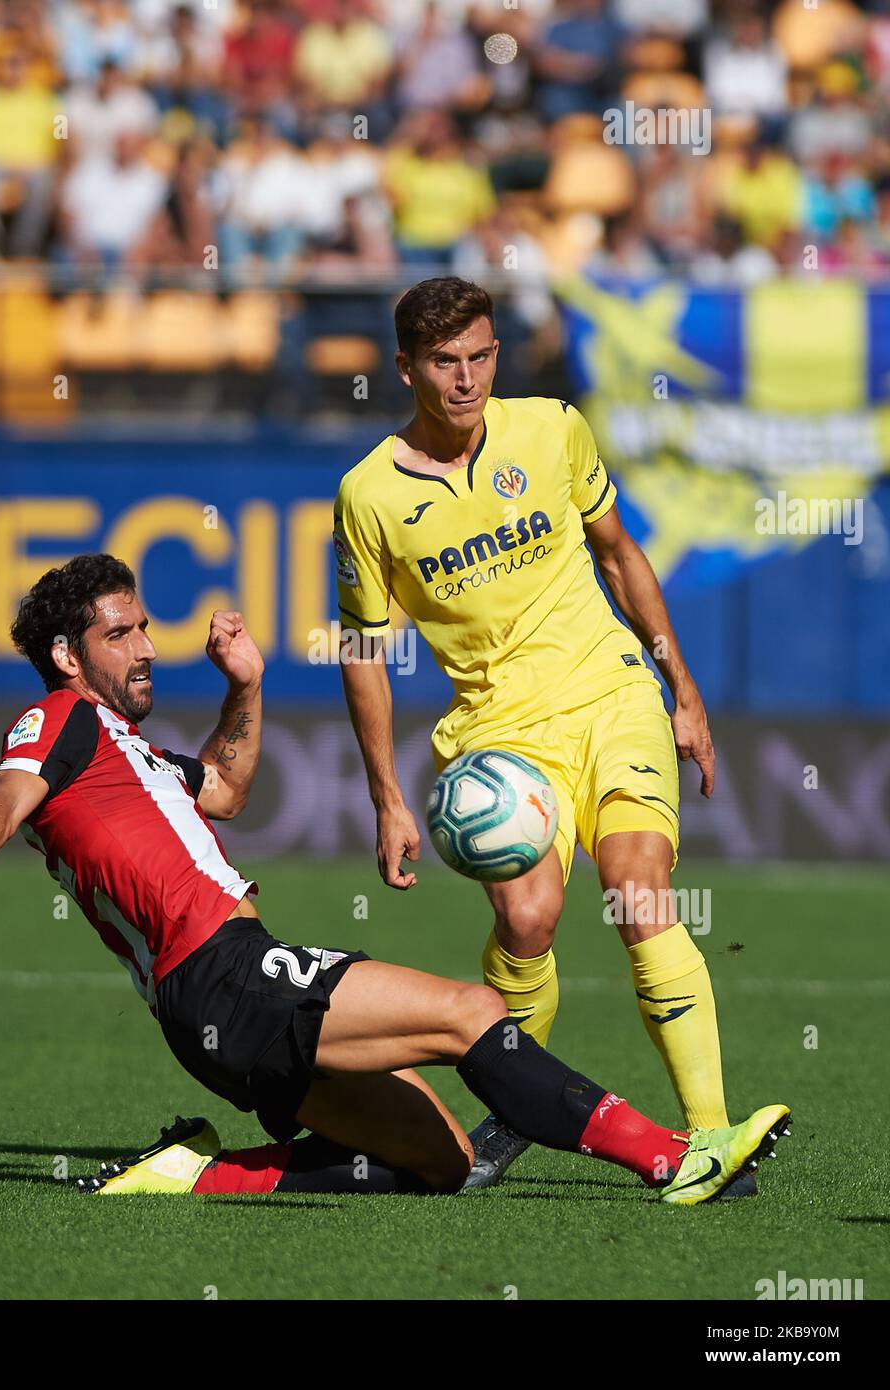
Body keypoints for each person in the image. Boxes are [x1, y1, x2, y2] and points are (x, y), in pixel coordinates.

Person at [0, 554, 789, 1202]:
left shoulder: (130, 753)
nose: (143, 648)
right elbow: (7, 793)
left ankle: (196, 1173)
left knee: (439, 1161)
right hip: (226, 976)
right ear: (65, 656)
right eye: (117, 635)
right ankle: (676, 1158)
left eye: (142, 629)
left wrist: (244, 685)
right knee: (473, 1014)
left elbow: (229, 790)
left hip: (214, 1009)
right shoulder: (57, 723)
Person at [332, 277, 749, 1191]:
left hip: (610, 692)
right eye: (446, 361)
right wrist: (386, 795)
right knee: (528, 920)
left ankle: (712, 1136)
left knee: (638, 891)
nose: (468, 378)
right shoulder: (367, 496)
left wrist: (680, 684)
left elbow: (618, 552)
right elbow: (363, 651)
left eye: (481, 355)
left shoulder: (555, 427)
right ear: (405, 368)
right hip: (498, 732)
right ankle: (518, 1102)